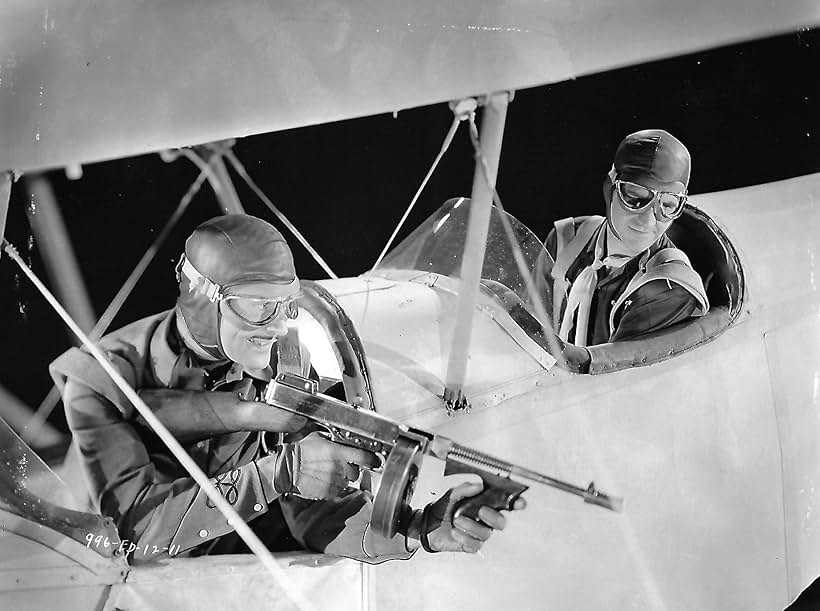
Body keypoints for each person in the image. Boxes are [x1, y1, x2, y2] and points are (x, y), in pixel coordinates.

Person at [51, 214, 522, 564]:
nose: (277, 327)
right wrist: (275, 474)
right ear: (201, 299)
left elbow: (315, 517)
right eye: (257, 307)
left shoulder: (287, 362)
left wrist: (419, 529)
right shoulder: (101, 381)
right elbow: (135, 534)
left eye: (287, 305)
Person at [544, 129, 709, 359]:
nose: (648, 219)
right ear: (610, 188)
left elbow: (615, 382)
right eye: (634, 198)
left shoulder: (668, 289)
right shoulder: (566, 241)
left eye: (667, 205)